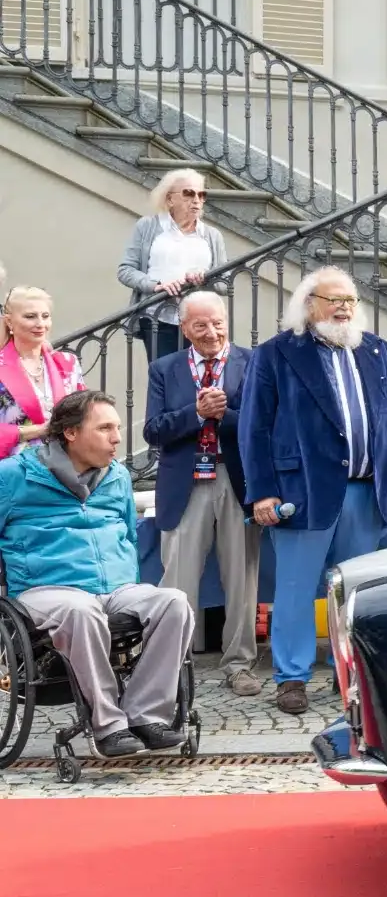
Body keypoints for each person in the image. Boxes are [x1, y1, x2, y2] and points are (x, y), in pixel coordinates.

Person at [240, 268, 387, 714]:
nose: (344, 308)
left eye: (350, 300)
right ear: (309, 303)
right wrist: (261, 492)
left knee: (357, 592)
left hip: (366, 491)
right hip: (303, 490)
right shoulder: (278, 353)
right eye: (334, 300)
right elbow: (253, 428)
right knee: (296, 588)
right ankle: (291, 677)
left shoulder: (376, 350)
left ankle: (350, 673)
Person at [0, 391, 194, 757]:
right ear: (70, 433)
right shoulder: (13, 476)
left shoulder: (118, 475)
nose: (117, 438)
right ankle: (109, 725)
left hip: (115, 586)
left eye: (117, 428)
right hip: (46, 588)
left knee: (174, 602)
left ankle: (145, 715)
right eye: (104, 428)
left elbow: (127, 532)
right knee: (81, 610)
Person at [142, 291, 260, 697]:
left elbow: (265, 426)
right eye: (200, 325)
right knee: (177, 581)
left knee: (242, 579)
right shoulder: (164, 368)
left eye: (217, 323)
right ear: (184, 327)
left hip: (237, 478)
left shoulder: (252, 362)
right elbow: (153, 430)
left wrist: (223, 415)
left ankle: (240, 663)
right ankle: (171, 667)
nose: (211, 332)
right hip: (185, 481)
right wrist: (195, 414)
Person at [117, 168, 229, 360]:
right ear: (169, 199)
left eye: (201, 195)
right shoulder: (148, 226)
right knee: (164, 377)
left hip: (200, 321)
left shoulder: (212, 235)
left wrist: (204, 277)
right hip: (157, 317)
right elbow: (126, 270)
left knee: (201, 377)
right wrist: (157, 285)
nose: (196, 200)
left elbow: (224, 284)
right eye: (189, 193)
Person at [0, 287, 86, 460]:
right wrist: (38, 430)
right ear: (9, 322)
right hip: (14, 470)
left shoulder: (68, 362)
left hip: (66, 464)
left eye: (45, 316)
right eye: (30, 316)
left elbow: (84, 412)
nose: (40, 324)